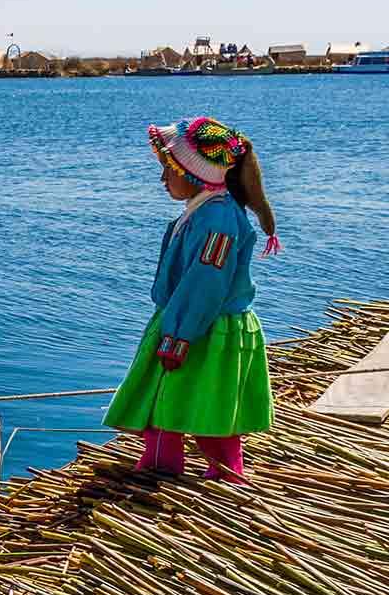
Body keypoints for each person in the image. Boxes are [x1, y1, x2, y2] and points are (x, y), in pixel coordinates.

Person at [105, 115, 280, 481]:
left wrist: (180, 333)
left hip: (205, 326)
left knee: (206, 403)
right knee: (161, 394)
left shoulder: (217, 220)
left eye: (168, 171)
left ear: (194, 174)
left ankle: (225, 473)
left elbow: (206, 281)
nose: (162, 180)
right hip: (185, 319)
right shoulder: (203, 209)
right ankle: (160, 463)